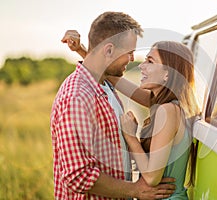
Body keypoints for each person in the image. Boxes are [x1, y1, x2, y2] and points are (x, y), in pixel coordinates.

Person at [51, 12, 175, 200]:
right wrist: (135, 190)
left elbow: (100, 65)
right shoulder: (76, 98)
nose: (134, 59)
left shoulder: (106, 85)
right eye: (129, 52)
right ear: (108, 51)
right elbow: (78, 176)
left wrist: (85, 51)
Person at [63, 32, 200, 199]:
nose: (141, 66)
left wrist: (130, 136)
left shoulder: (168, 110)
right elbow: (112, 76)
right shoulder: (164, 104)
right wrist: (81, 50)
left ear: (167, 74)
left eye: (150, 61)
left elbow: (151, 177)